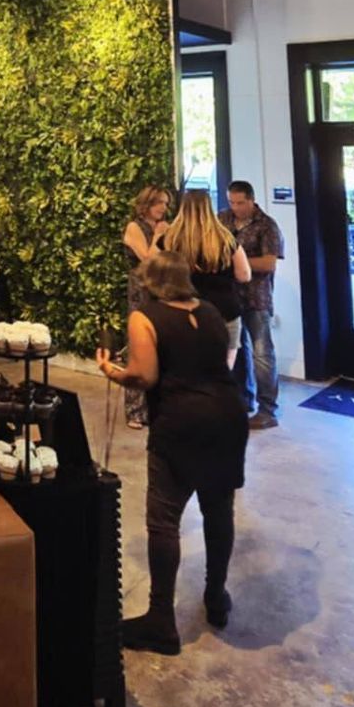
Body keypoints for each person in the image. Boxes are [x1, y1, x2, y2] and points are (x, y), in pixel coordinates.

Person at [95, 252, 248, 655]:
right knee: (219, 511)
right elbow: (222, 361)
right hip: (228, 417)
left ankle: (161, 620)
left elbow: (144, 376)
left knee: (164, 521)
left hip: (180, 422)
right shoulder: (211, 311)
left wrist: (110, 370)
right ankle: (216, 596)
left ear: (151, 280)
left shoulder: (144, 317)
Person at [221, 181, 286, 429]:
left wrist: (237, 262)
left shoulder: (267, 225)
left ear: (251, 200)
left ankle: (268, 410)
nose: (235, 207)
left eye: (240, 203)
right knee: (236, 351)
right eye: (232, 202)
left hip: (256, 298)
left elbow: (269, 263)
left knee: (262, 354)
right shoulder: (223, 219)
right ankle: (242, 400)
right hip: (230, 297)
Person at [119, 184, 172, 429]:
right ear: (147, 204)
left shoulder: (164, 226)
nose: (163, 208)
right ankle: (135, 410)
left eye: (166, 203)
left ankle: (157, 407)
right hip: (141, 293)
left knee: (160, 349)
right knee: (138, 348)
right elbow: (148, 259)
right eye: (159, 202)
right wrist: (159, 236)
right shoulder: (134, 227)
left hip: (161, 292)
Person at [161, 189, 250, 329]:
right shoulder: (225, 238)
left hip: (181, 309)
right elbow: (244, 275)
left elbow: (153, 268)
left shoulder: (169, 239)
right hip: (223, 310)